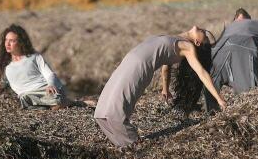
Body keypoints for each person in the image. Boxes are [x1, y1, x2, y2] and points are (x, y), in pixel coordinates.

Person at [94, 26, 226, 148]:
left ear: (197, 42)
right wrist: (165, 88)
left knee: (117, 110)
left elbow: (201, 73)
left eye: (206, 37)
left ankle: (133, 143)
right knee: (101, 112)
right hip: (130, 59)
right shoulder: (177, 38)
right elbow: (166, 68)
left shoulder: (188, 47)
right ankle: (121, 140)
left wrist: (219, 99)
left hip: (140, 64)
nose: (205, 31)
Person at [0, 24, 94, 109]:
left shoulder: (33, 56)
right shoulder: (6, 64)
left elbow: (49, 73)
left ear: (20, 43)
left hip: (44, 90)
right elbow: (5, 81)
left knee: (56, 102)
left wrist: (51, 84)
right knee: (25, 100)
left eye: (12, 41)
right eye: (6, 40)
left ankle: (75, 103)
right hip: (27, 96)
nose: (7, 44)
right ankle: (51, 105)